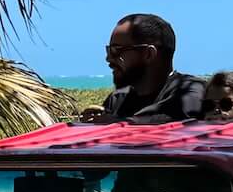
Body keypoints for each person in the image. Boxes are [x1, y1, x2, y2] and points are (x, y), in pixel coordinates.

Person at [80, 13, 208, 124]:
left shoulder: (192, 90)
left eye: (116, 50)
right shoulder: (118, 99)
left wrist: (116, 123)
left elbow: (175, 119)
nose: (108, 58)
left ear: (148, 54)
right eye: (109, 50)